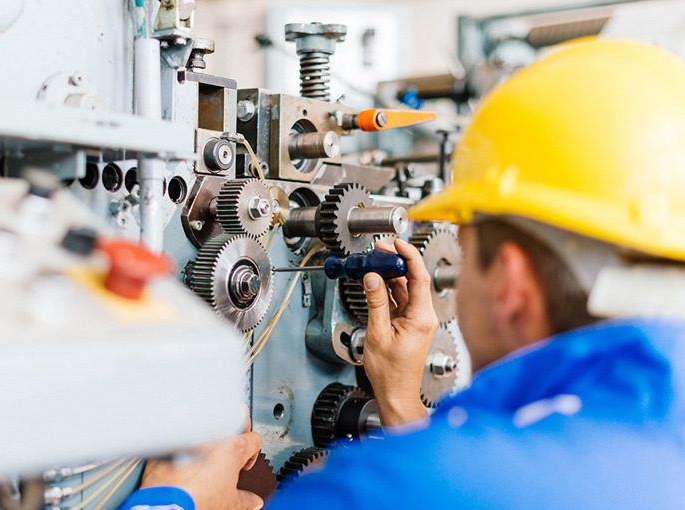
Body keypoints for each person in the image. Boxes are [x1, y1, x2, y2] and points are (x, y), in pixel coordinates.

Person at [122, 38, 685, 509]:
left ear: (511, 286)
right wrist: (401, 403)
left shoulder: (379, 489)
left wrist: (176, 498)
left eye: (461, 262)